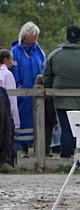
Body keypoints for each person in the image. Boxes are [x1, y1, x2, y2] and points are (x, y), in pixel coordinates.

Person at [42, 25, 80, 160]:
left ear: (67, 37)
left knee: (66, 129)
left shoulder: (55, 55)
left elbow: (47, 77)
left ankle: (65, 157)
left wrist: (49, 90)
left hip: (62, 100)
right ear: (79, 38)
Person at [10, 22, 46, 157]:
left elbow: (44, 67)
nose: (36, 38)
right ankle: (24, 150)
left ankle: (40, 150)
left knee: (39, 121)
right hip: (23, 93)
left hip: (38, 92)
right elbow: (15, 71)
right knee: (24, 120)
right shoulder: (16, 52)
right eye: (34, 36)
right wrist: (19, 88)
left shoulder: (39, 51)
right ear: (25, 36)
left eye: (37, 36)